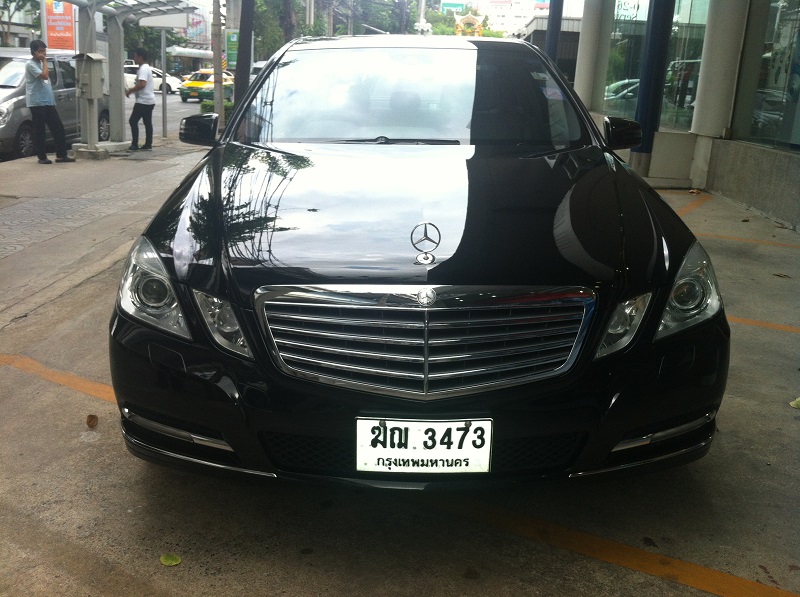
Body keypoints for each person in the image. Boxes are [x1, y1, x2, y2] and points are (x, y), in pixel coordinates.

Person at [24, 40, 75, 164]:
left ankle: (61, 155)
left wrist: (43, 61)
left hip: (48, 101)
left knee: (58, 127)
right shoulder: (31, 65)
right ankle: (42, 157)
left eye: (44, 51)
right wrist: (45, 61)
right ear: (34, 52)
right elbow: (45, 76)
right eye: (41, 51)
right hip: (37, 102)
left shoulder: (41, 63)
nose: (44, 54)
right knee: (39, 130)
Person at [125, 48, 155, 150]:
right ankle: (148, 144)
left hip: (143, 100)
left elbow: (142, 84)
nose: (134, 58)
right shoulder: (146, 68)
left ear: (140, 57)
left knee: (133, 121)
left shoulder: (143, 69)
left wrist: (130, 90)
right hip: (149, 100)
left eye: (135, 56)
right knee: (147, 122)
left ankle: (135, 144)